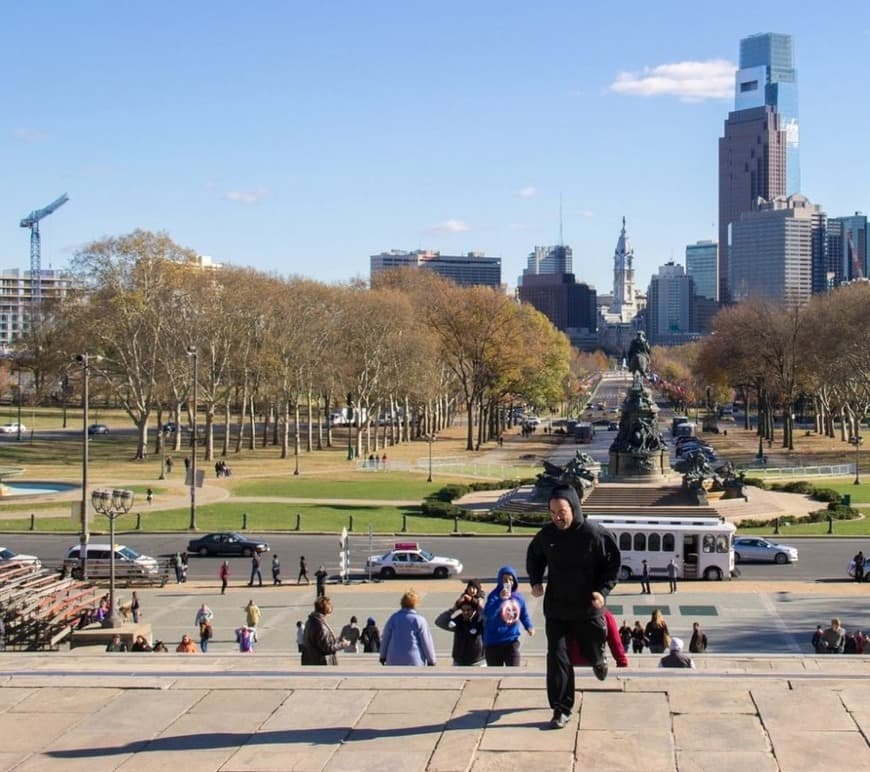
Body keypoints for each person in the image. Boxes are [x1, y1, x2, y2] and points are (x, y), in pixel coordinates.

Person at [526, 484, 621, 730]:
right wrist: (536, 581)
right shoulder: (547, 535)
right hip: (557, 607)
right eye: (553, 512)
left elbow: (612, 564)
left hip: (587, 606)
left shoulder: (594, 534)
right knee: (557, 657)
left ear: (574, 508)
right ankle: (561, 708)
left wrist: (602, 591)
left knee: (591, 649)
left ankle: (598, 658)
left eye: (562, 511)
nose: (557, 517)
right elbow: (534, 556)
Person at [482, 566, 535, 666]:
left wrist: (529, 626)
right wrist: (500, 600)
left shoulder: (518, 597)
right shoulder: (494, 595)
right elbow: (488, 614)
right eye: (505, 579)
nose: (508, 582)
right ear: (500, 580)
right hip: (493, 642)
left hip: (511, 641)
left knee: (514, 671)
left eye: (511, 579)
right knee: (495, 673)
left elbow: (523, 614)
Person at [380, 589, 437, 666]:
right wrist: (431, 660)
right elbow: (426, 642)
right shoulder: (419, 620)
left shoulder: (394, 618)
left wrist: (382, 656)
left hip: (393, 660)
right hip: (414, 660)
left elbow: (385, 638)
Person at [435, 594, 485, 667]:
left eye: (468, 610)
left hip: (478, 662)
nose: (465, 612)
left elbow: (490, 620)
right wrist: (453, 609)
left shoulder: (480, 621)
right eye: (463, 610)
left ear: (475, 610)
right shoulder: (458, 621)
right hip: (459, 662)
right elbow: (439, 622)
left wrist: (477, 604)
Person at [301, 596, 347, 665]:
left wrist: (336, 640)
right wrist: (342, 645)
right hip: (321, 662)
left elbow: (320, 641)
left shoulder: (311, 621)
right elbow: (327, 648)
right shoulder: (320, 625)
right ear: (326, 609)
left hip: (311, 660)